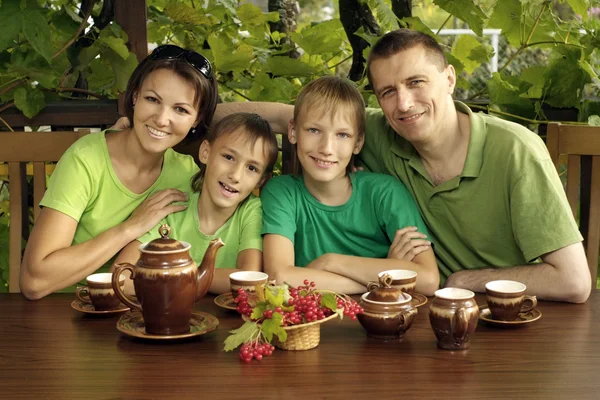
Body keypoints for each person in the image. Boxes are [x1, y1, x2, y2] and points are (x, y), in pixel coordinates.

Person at [213, 29, 591, 303]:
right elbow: (288, 117)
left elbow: (574, 282)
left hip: (504, 312)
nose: (404, 103)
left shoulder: (515, 150)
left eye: (416, 82)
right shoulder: (380, 131)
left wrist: (462, 278)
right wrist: (183, 120)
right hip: (414, 308)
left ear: (449, 80)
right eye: (388, 91)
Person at [20, 45, 218, 300]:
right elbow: (34, 282)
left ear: (197, 119)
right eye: (152, 100)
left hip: (138, 310)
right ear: (134, 97)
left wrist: (283, 117)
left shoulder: (186, 174)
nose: (161, 119)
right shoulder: (87, 159)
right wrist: (132, 226)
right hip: (68, 307)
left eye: (180, 109)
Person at [260, 76, 439, 295]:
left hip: (384, 320)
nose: (326, 148)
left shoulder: (386, 193)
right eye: (314, 130)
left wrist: (330, 262)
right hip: (312, 324)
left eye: (342, 135)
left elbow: (428, 280)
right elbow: (280, 277)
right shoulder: (282, 192)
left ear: (358, 143)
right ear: (293, 131)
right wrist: (382, 279)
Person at [114, 113, 278, 295]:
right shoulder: (171, 205)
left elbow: (248, 279)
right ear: (205, 153)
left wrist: (169, 276)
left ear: (260, 181)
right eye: (229, 157)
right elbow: (122, 277)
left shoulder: (251, 210)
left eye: (251, 168)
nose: (236, 175)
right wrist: (200, 278)